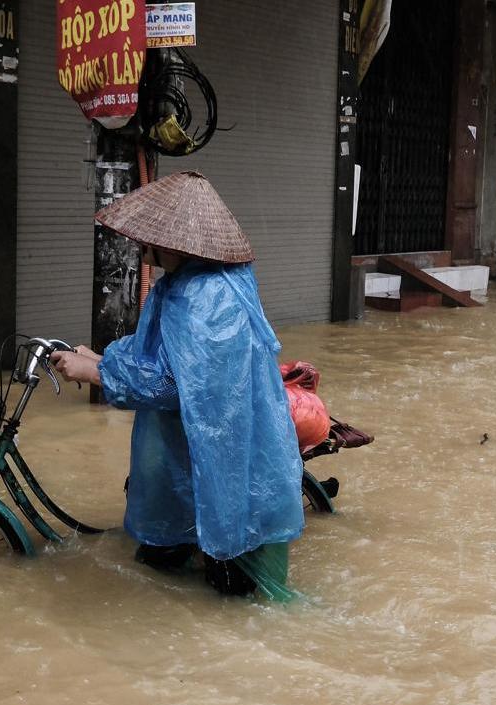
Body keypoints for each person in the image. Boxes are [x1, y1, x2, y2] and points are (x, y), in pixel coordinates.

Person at [47, 172, 304, 600]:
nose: (140, 248)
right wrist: (103, 357)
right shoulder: (185, 285)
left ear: (171, 244)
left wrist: (97, 374)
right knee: (169, 569)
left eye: (147, 240)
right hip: (190, 448)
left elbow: (177, 386)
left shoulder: (207, 299)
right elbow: (158, 351)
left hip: (226, 457)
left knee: (237, 597)